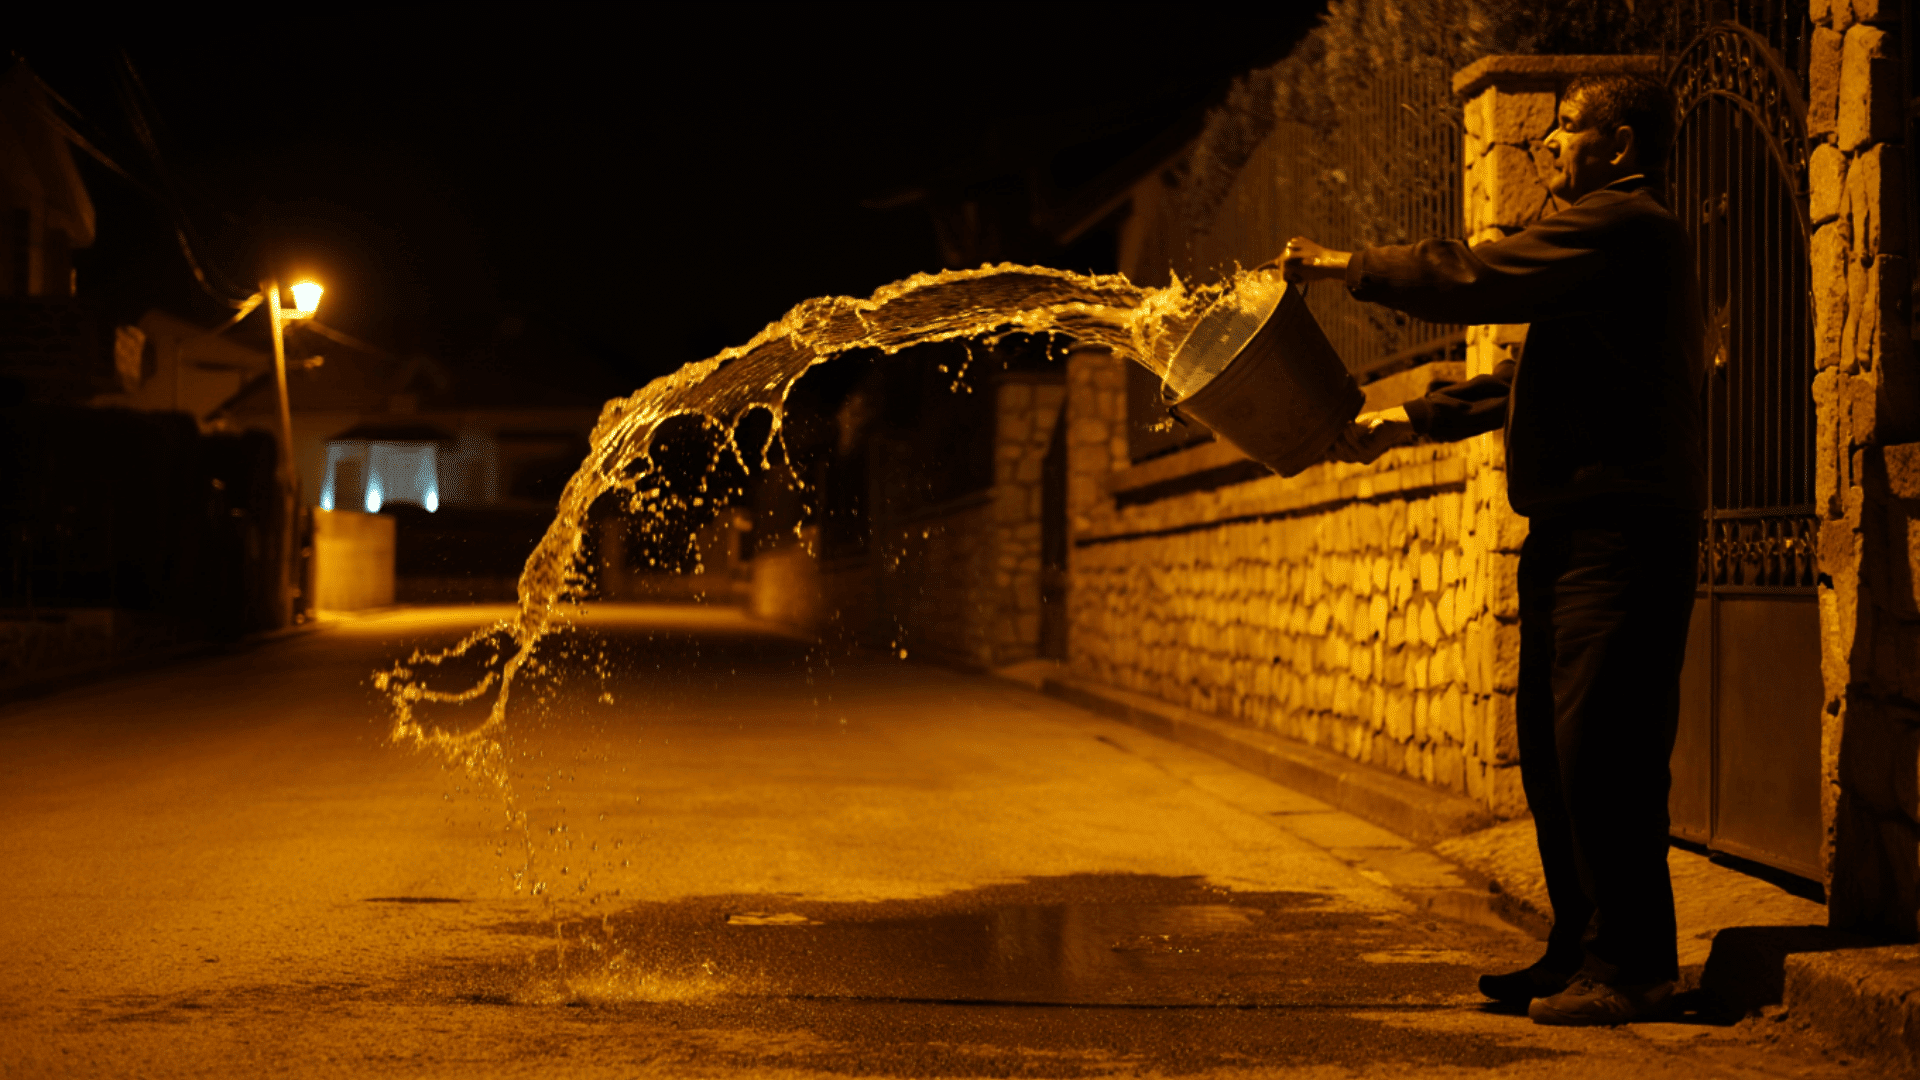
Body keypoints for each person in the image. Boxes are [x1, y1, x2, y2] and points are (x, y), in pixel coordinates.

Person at [1280, 74, 1704, 1026]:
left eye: (1567, 127)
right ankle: (1579, 949)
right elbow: (1525, 377)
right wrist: (1406, 421)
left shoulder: (1627, 227)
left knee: (1605, 748)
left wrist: (1343, 264)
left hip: (1624, 533)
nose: (1547, 143)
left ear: (1622, 146)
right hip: (1573, 527)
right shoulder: (1600, 250)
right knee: (1554, 754)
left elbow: (1474, 276)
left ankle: (1634, 967)